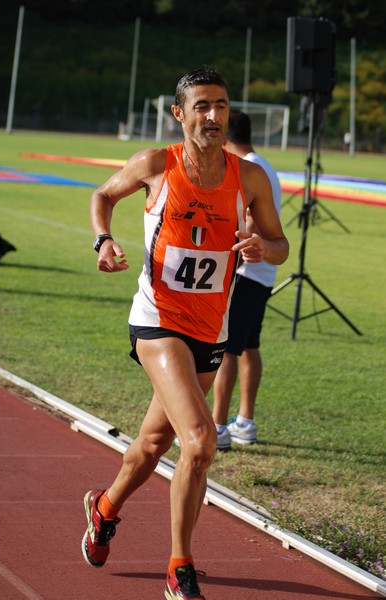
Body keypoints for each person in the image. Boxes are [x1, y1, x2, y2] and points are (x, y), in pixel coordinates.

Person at [82, 67, 289, 600]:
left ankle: (104, 509)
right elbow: (102, 196)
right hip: (157, 320)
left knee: (153, 444)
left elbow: (279, 243)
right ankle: (180, 569)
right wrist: (103, 242)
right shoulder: (157, 164)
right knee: (199, 441)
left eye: (220, 105)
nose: (213, 116)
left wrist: (264, 249)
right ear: (180, 113)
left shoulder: (249, 177)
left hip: (209, 328)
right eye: (201, 106)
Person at [212, 110, 282, 450]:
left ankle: (218, 426)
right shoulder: (265, 164)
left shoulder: (249, 169)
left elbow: (252, 223)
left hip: (247, 270)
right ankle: (245, 421)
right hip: (263, 272)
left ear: (225, 139)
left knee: (227, 348)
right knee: (248, 346)